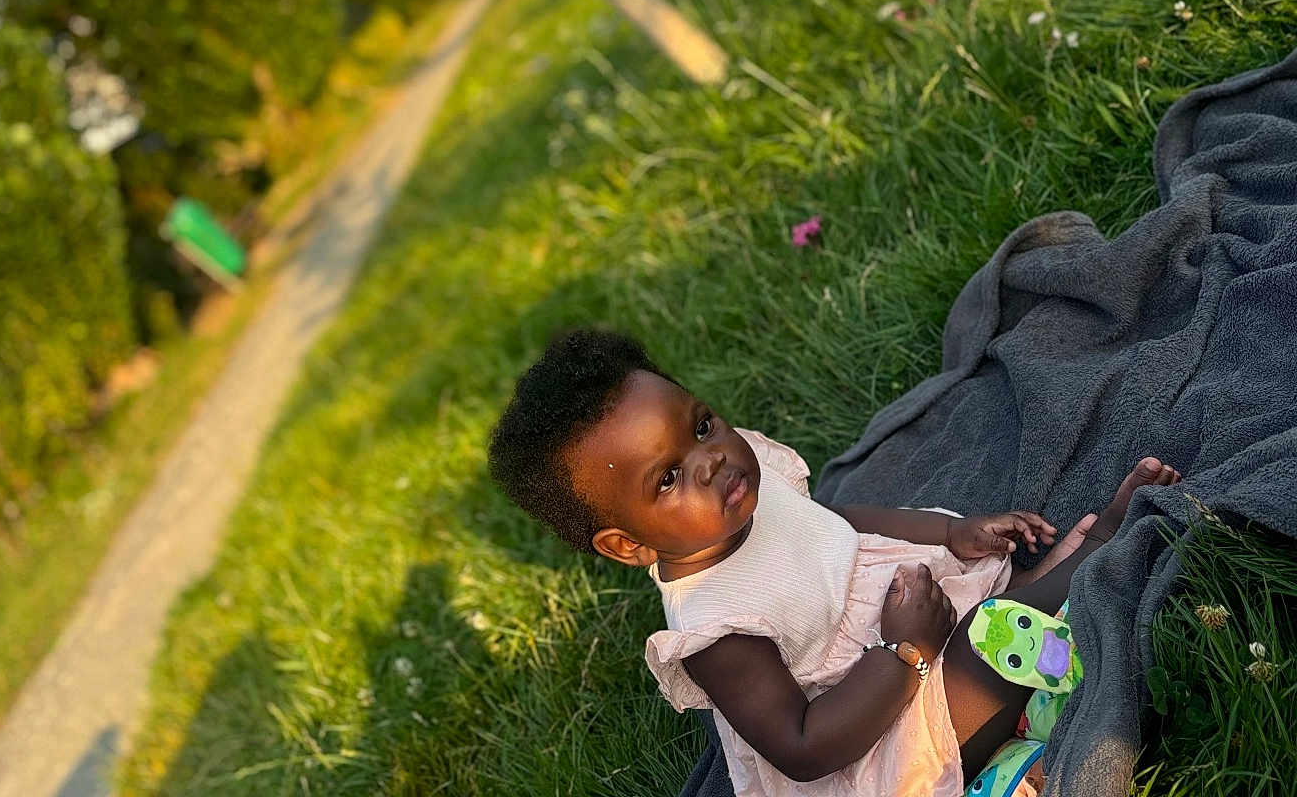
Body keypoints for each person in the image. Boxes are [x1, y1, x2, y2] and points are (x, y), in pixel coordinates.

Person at [487, 329, 1180, 797]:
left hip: (909, 621)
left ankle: (1037, 675)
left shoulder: (742, 482)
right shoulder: (713, 627)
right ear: (628, 545)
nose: (712, 460)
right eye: (668, 479)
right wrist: (906, 650)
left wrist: (951, 537)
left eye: (700, 426)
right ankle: (1092, 565)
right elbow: (802, 746)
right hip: (881, 735)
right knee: (988, 637)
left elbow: (835, 523)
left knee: (990, 593)